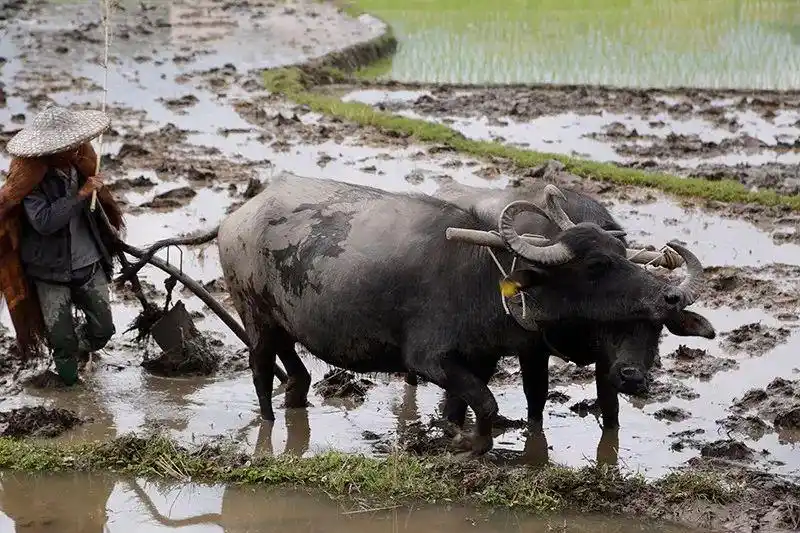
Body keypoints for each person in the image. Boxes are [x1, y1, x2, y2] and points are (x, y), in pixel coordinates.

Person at [0, 103, 125, 385]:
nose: (78, 150)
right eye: (69, 146)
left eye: (78, 143)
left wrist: (96, 194)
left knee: (103, 330)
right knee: (60, 338)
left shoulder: (82, 166)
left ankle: (76, 350)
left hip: (88, 262)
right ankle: (69, 389)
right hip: (49, 272)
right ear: (50, 153)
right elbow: (44, 221)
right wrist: (80, 195)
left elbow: (100, 211)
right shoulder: (30, 182)